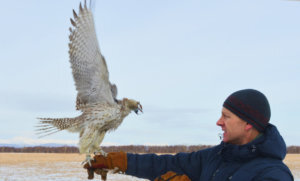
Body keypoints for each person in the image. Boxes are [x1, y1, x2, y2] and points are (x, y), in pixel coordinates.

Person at [84, 89, 294, 181]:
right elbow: (165, 165)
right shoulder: (216, 157)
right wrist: (117, 161)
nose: (219, 122)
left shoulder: (274, 174)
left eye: (226, 117)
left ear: (248, 123)